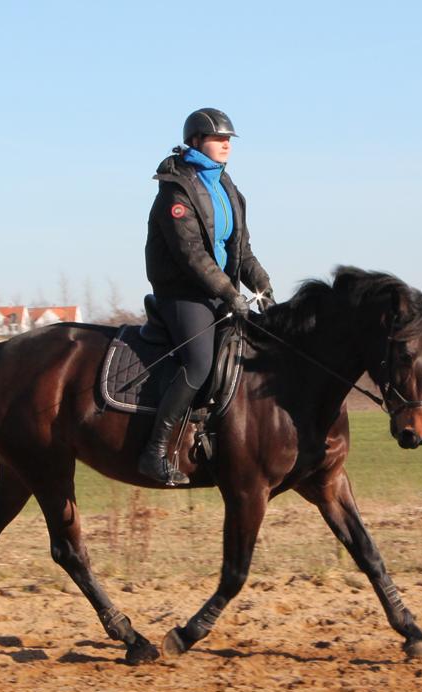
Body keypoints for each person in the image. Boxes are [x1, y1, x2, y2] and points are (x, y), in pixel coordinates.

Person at [139, 107, 273, 486]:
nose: (226, 145)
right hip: (182, 294)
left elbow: (241, 250)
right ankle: (154, 452)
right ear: (196, 142)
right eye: (219, 138)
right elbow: (192, 255)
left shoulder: (228, 189)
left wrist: (262, 286)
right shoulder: (175, 190)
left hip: (218, 294)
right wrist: (231, 294)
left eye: (229, 139)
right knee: (199, 363)